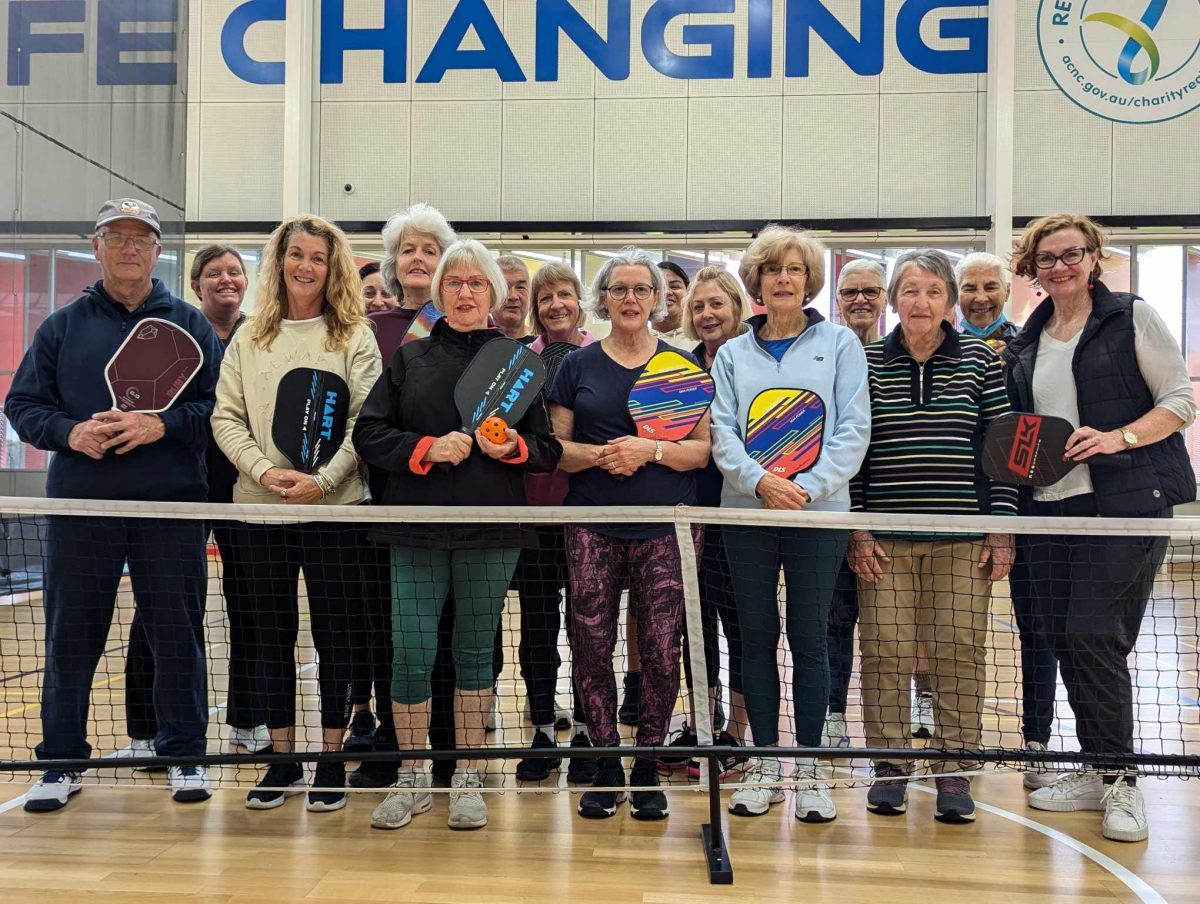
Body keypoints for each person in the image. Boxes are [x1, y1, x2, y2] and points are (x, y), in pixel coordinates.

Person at [6, 198, 221, 811]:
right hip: (83, 511)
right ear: (96, 246)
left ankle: (185, 755)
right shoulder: (61, 327)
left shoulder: (191, 325)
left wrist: (163, 425)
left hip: (170, 508)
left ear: (157, 252)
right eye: (116, 237)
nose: (130, 248)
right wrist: (68, 432)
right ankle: (60, 763)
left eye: (141, 239)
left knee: (177, 633)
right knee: (71, 635)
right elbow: (23, 407)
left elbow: (217, 408)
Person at [354, 239, 561, 832]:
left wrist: (515, 447)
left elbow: (546, 449)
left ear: (494, 293)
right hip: (413, 529)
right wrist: (425, 448)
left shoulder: (520, 364)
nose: (465, 292)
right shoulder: (409, 358)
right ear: (439, 292)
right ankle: (413, 776)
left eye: (476, 283)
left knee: (475, 653)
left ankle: (468, 775)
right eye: (454, 283)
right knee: (410, 655)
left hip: (492, 531)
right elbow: (369, 435)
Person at [1005, 214, 1196, 843]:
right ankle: (1093, 768)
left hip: (1127, 504)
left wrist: (1121, 438)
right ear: (1032, 268)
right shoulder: (1027, 340)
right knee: (1064, 638)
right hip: (1049, 510)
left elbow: (1180, 400)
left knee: (1093, 635)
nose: (1059, 266)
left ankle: (1120, 780)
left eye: (1072, 254)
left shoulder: (1131, 317)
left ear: (1094, 259)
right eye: (1046, 258)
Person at [211, 214, 382, 813]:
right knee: (268, 638)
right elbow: (225, 417)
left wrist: (325, 479)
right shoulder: (249, 335)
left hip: (335, 512)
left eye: (318, 256)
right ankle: (281, 759)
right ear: (279, 261)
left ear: (333, 267)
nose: (305, 266)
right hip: (258, 514)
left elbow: (366, 420)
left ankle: (331, 761)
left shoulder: (354, 336)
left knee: (338, 636)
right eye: (296, 255)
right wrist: (263, 472)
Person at [848, 249, 1016, 825]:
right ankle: (890, 765)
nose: (920, 302)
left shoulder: (980, 360)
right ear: (895, 300)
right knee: (885, 652)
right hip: (885, 540)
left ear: (949, 301)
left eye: (932, 292)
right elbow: (854, 452)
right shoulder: (865, 360)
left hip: (964, 538)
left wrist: (1001, 530)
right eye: (910, 291)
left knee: (959, 652)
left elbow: (1004, 450)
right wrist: (858, 527)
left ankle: (955, 768)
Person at [710, 227, 871, 824]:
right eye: (773, 269)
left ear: (809, 280)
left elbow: (854, 428)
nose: (783, 279)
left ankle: (806, 769)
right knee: (754, 639)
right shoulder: (732, 354)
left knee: (809, 638)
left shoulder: (840, 344)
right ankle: (761, 764)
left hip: (818, 515)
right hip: (747, 515)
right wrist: (761, 484)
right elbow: (721, 433)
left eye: (796, 270)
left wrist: (805, 488)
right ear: (756, 280)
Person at [548, 247, 711, 821]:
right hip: (591, 525)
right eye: (620, 289)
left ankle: (646, 764)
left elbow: (699, 452)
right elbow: (559, 452)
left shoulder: (683, 367)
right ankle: (607, 762)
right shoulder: (576, 366)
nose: (631, 299)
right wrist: (604, 455)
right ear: (605, 298)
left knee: (665, 649)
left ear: (658, 299)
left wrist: (651, 449)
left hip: (667, 529)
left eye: (642, 289)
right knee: (590, 645)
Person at [124, 245, 271, 762]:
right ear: (196, 283)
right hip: (184, 484)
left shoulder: (260, 336)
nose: (226, 280)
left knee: (249, 603)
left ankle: (248, 720)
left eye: (234, 271)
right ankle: (144, 732)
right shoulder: (178, 333)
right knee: (162, 608)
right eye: (214, 273)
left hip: (245, 483)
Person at [954, 251, 1059, 791]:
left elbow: (1029, 429)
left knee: (1036, 626)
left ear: (1007, 290)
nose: (979, 297)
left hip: (1022, 506)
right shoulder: (938, 348)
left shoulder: (1028, 345)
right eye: (969, 287)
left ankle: (1037, 741)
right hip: (954, 512)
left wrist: (1008, 512)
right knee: (951, 634)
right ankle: (944, 737)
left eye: (989, 286)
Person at [658, 266, 749, 777]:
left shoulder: (752, 363)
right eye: (699, 306)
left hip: (739, 511)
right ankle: (702, 724)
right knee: (695, 626)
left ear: (736, 308)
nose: (708, 314)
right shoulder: (679, 369)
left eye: (718, 304)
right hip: (689, 512)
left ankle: (737, 729)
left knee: (740, 625)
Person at [513, 261, 598, 784]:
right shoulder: (521, 361)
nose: (555, 305)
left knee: (590, 626)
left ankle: (590, 730)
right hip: (535, 512)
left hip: (588, 512)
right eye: (545, 298)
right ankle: (543, 728)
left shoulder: (601, 356)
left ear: (579, 301)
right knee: (538, 625)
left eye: (564, 295)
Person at [821, 259, 889, 749]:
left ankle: (910, 708)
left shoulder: (896, 355)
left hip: (886, 512)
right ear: (837, 299)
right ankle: (833, 713)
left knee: (893, 627)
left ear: (885, 298)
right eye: (850, 292)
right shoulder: (826, 352)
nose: (861, 299)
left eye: (871, 291)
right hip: (832, 507)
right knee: (834, 619)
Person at [955, 252, 1019, 354]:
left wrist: (1015, 362)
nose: (981, 298)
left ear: (1007, 292)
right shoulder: (948, 351)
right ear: (956, 296)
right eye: (970, 289)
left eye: (990, 288)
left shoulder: (1027, 345)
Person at [651, 260, 692, 349]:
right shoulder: (634, 339)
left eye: (675, 286)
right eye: (660, 287)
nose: (667, 292)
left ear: (688, 292)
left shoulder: (700, 339)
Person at [495, 255, 535, 343]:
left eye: (520, 287)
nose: (513, 296)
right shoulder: (477, 345)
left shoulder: (543, 347)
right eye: (504, 287)